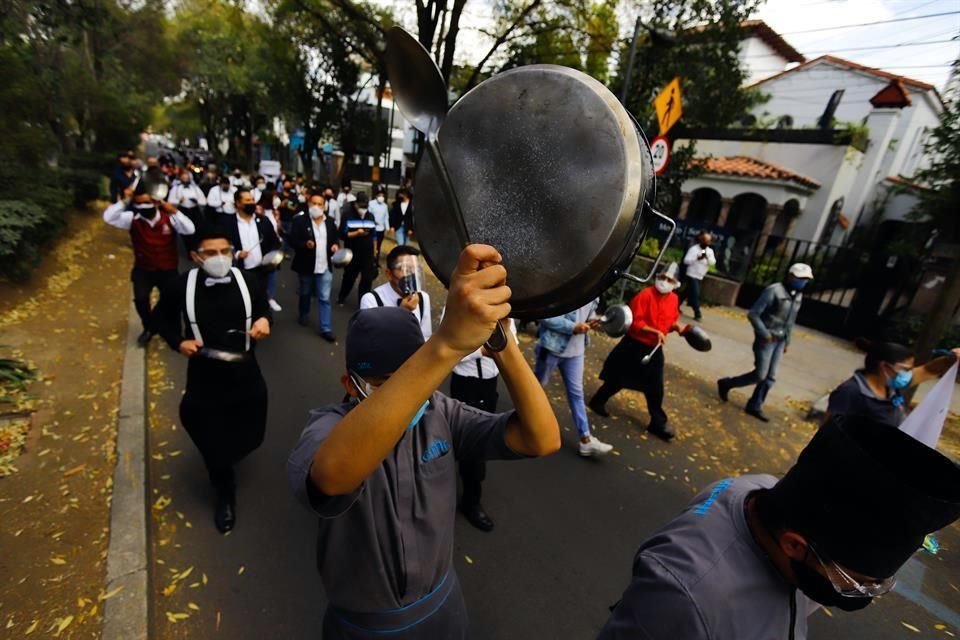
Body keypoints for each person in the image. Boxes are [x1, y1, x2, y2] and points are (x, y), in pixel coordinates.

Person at [287, 244, 561, 639]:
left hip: (444, 610)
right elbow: (331, 478)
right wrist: (445, 346)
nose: (407, 397)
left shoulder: (440, 413)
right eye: (386, 385)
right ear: (350, 385)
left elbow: (541, 439)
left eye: (412, 381)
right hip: (364, 626)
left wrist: (503, 344)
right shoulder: (326, 430)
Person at [597, 413, 960, 640]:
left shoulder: (754, 489)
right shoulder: (683, 599)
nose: (863, 593)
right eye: (854, 584)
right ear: (794, 545)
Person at [153, 228, 272, 533]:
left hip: (246, 370)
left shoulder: (249, 281)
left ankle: (229, 454)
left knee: (252, 431)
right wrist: (178, 342)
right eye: (211, 253)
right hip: (205, 374)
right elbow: (160, 319)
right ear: (195, 257)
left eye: (225, 251)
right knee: (202, 425)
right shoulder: (182, 286)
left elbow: (262, 308)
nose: (220, 258)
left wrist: (263, 321)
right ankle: (224, 492)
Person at [589, 263, 684, 441]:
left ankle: (657, 422)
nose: (664, 282)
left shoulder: (673, 300)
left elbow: (669, 321)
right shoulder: (645, 295)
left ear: (675, 283)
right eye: (662, 277)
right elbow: (635, 321)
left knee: (656, 386)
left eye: (669, 279)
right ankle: (598, 400)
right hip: (634, 344)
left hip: (654, 348)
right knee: (618, 378)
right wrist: (654, 331)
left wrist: (676, 327)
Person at [103, 176, 197, 347]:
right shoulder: (132, 219)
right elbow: (108, 217)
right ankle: (149, 327)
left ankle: (174, 331)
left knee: (172, 301)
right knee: (140, 299)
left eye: (147, 202)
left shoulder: (169, 218)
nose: (143, 207)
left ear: (156, 202)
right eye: (139, 203)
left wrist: (174, 211)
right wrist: (126, 200)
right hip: (144, 269)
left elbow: (190, 229)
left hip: (168, 268)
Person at [717, 263, 814, 422]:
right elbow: (754, 314)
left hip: (780, 340)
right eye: (800, 278)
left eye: (805, 279)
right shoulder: (774, 290)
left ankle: (755, 405)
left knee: (771, 377)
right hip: (766, 339)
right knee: (761, 374)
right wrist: (764, 333)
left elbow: (790, 321)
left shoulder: (798, 296)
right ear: (790, 276)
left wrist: (787, 341)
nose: (803, 282)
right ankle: (727, 383)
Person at [448, 318, 518, 532]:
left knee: (479, 441)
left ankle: (470, 494)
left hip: (489, 384)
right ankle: (469, 501)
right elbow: (449, 351)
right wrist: (481, 351)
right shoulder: (457, 311)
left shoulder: (506, 316)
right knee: (468, 444)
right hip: (465, 385)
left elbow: (512, 343)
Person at [535, 299, 614, 456]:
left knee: (576, 394)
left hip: (576, 352)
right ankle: (520, 421)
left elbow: (588, 313)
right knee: (535, 388)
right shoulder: (565, 287)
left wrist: (592, 320)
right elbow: (544, 316)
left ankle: (585, 439)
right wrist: (572, 327)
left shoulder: (594, 292)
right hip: (552, 348)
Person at [826, 339, 960, 427]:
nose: (908, 374)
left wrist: (949, 360)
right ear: (885, 366)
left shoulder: (892, 387)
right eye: (905, 369)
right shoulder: (851, 392)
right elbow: (828, 431)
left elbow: (927, 370)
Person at [290, 192, 340, 343]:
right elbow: (292, 240)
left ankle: (326, 328)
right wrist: (304, 244)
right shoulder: (300, 221)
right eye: (314, 203)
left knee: (324, 298)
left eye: (320, 204)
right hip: (306, 266)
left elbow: (335, 239)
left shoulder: (330, 222)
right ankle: (303, 313)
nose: (316, 207)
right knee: (305, 292)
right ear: (309, 204)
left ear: (324, 207)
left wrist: (335, 245)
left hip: (324, 267)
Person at [222, 188, 281, 307]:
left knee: (260, 300)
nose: (251, 203)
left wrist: (271, 259)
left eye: (252, 199)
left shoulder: (263, 221)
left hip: (261, 270)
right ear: (238, 203)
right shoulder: (227, 223)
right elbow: (223, 245)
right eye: (247, 200)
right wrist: (237, 254)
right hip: (240, 270)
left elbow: (274, 241)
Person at [360, 245, 431, 340]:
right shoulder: (371, 300)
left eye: (416, 270)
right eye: (404, 269)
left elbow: (425, 337)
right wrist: (401, 314)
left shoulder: (422, 298)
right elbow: (371, 341)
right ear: (389, 274)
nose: (412, 275)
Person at [337, 192, 377, 306]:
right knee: (349, 277)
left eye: (365, 206)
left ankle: (363, 302)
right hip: (352, 252)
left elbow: (374, 236)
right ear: (355, 204)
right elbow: (342, 235)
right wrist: (356, 233)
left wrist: (375, 251)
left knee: (367, 279)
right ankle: (342, 296)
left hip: (368, 253)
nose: (363, 209)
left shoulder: (370, 216)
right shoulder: (347, 215)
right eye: (361, 206)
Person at [678, 231, 716, 321]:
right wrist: (697, 258)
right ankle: (697, 313)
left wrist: (706, 257)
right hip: (691, 274)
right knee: (695, 293)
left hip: (700, 275)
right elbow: (686, 260)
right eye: (704, 240)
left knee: (686, 292)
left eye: (708, 241)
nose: (706, 243)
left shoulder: (710, 251)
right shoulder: (694, 249)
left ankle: (675, 305)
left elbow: (713, 262)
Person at [167, 167, 207, 249]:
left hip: (194, 210)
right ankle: (189, 249)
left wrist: (197, 201)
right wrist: (179, 201)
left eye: (187, 177)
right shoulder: (176, 188)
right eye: (183, 177)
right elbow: (170, 201)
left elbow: (204, 201)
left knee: (199, 228)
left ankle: (198, 246)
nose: (185, 179)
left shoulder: (195, 188)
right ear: (180, 178)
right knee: (186, 230)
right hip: (183, 210)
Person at [369, 189, 390, 261]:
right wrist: (373, 221)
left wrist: (387, 227)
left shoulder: (385, 206)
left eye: (382, 196)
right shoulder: (371, 204)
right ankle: (370, 259)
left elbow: (386, 217)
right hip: (372, 228)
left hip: (381, 229)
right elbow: (368, 215)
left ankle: (376, 260)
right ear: (376, 196)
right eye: (379, 195)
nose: (381, 197)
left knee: (378, 245)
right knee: (371, 245)